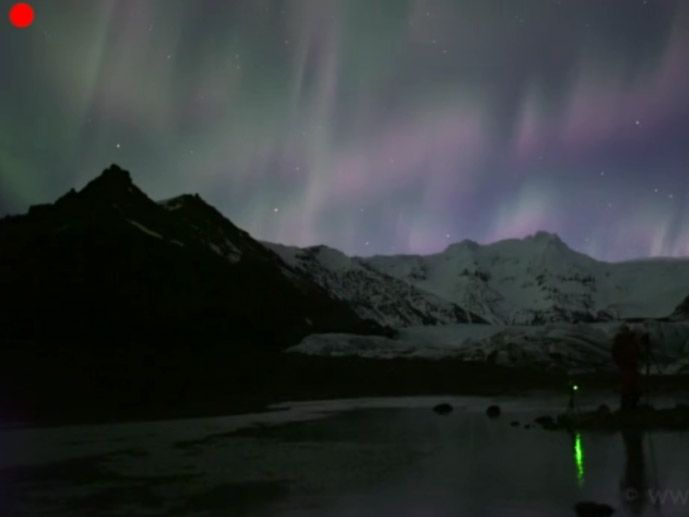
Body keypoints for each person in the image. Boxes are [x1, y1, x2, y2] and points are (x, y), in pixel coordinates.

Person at [611, 324, 641, 411]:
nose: (625, 332)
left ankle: (633, 404)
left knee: (633, 385)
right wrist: (620, 362)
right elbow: (615, 353)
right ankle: (626, 405)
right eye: (624, 331)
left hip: (632, 366)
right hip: (625, 366)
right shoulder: (620, 342)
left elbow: (638, 351)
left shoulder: (631, 341)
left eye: (626, 331)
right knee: (627, 385)